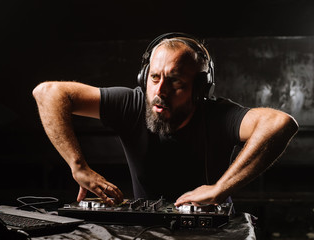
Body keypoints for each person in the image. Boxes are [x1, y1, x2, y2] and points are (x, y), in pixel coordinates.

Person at [32, 33, 298, 207]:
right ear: (143, 77)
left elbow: (280, 123)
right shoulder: (131, 103)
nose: (160, 92)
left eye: (176, 82)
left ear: (199, 89)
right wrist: (77, 166)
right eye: (155, 78)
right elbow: (48, 93)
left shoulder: (218, 116)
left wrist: (219, 189)